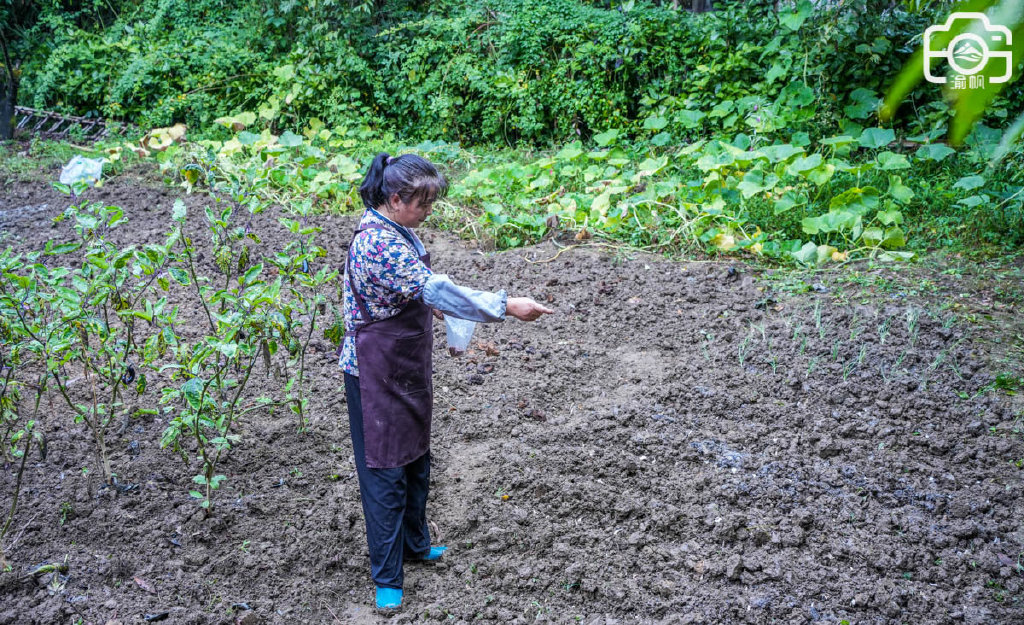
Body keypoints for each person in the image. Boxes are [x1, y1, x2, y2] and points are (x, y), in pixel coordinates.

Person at [340, 152, 553, 610]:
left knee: (415, 459)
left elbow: (418, 289)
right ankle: (387, 576)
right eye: (424, 203)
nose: (429, 211)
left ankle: (415, 545)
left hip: (405, 365)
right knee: (384, 471)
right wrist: (506, 304)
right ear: (395, 199)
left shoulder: (400, 231)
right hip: (373, 372)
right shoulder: (378, 243)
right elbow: (432, 288)